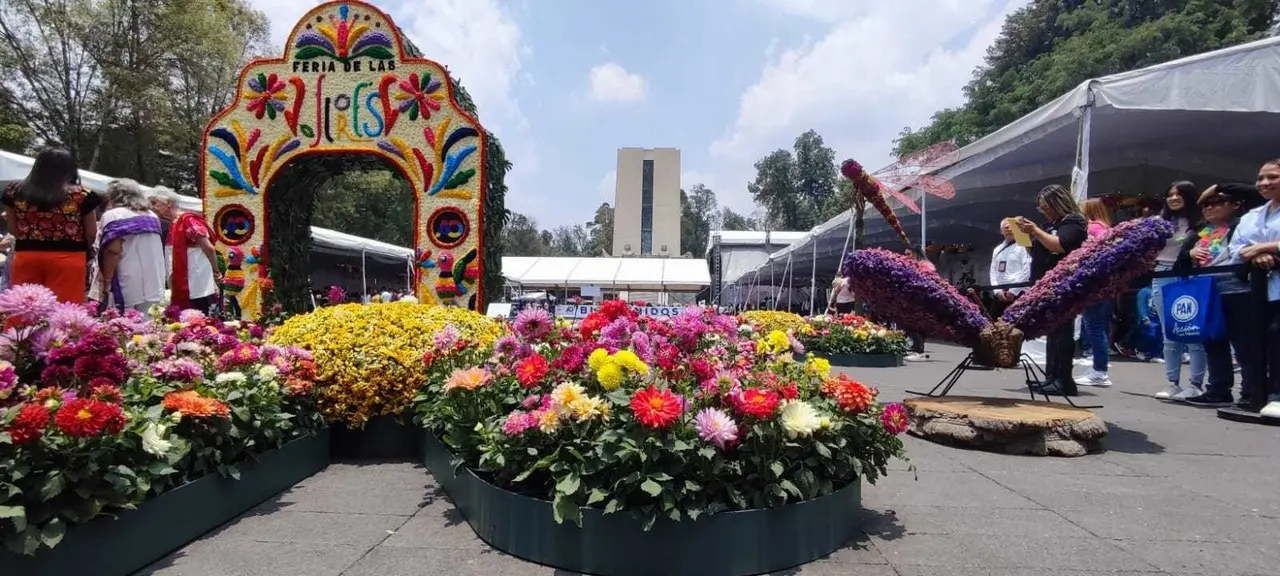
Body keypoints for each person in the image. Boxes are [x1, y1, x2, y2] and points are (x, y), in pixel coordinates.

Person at [1173, 183, 1262, 407]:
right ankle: (1218, 389)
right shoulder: (1197, 233)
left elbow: (1254, 195)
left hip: (1238, 290)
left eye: (1216, 203)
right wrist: (1189, 253)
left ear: (1235, 205)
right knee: (1213, 342)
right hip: (1206, 292)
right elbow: (1179, 264)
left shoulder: (1243, 224)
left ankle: (1252, 391)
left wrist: (1215, 187)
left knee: (1245, 344)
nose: (1208, 208)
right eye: (1205, 205)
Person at [1, 147, 102, 303]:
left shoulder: (14, 192)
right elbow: (91, 233)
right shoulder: (82, 195)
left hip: (26, 255)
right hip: (69, 258)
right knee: (64, 311)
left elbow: (13, 229)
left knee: (23, 309)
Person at [1015, 184, 1088, 396]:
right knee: (1053, 333)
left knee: (1063, 333)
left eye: (1047, 207)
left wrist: (1035, 230)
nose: (1044, 211)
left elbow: (1060, 245)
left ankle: (1064, 380)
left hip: (1063, 283)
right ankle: (1051, 377)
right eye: (1041, 208)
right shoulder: (1052, 224)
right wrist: (1026, 236)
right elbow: (1040, 248)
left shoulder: (1074, 221)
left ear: (1058, 203)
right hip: (1045, 283)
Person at [1228, 160, 1280, 417]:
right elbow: (1236, 249)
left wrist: (1265, 247)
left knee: (1277, 334)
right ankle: (1260, 393)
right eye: (1261, 178)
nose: (1264, 183)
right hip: (1260, 290)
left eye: (1273, 177)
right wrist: (1256, 254)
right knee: (1259, 339)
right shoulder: (1251, 216)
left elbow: (1253, 246)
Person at [1151, 181, 1206, 400]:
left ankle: (1195, 384)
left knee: (1193, 331)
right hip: (1161, 274)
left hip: (1190, 276)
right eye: (1170, 194)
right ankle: (1172, 383)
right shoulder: (1158, 222)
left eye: (1179, 194)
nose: (1173, 198)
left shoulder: (1201, 224)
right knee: (1169, 334)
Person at [88, 179, 166, 313]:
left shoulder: (113, 215)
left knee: (124, 325)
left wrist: (106, 282)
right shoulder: (152, 216)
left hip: (127, 282)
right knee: (150, 324)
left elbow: (113, 250)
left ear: (113, 197)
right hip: (154, 281)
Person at [149, 186, 220, 313]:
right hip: (178, 279)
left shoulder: (188, 219)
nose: (151, 207)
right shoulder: (169, 223)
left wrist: (216, 271)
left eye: (154, 203)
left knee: (197, 315)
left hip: (194, 280)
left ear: (168, 203)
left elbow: (209, 248)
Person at [1075, 199, 1114, 387]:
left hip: (1092, 283)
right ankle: (1100, 368)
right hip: (1105, 283)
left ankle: (1099, 371)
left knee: (1094, 327)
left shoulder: (1091, 230)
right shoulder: (1106, 228)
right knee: (1100, 327)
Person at [988, 219, 1031, 318]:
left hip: (1019, 291)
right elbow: (993, 272)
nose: (1008, 229)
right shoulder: (997, 249)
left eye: (1010, 226)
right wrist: (997, 291)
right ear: (1001, 231)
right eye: (1005, 227)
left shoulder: (1024, 244)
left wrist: (1013, 291)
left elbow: (1027, 270)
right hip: (1000, 293)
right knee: (994, 324)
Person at [903, 246, 934, 362]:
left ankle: (919, 348)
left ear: (915, 254)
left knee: (916, 323)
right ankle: (916, 346)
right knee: (910, 322)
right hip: (912, 298)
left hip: (921, 298)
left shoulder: (926, 265)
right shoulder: (911, 265)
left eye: (908, 254)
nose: (906, 257)